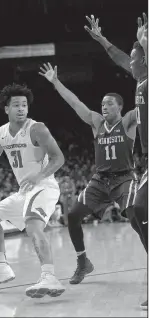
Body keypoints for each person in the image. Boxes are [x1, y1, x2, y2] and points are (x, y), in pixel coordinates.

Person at [39, 63, 138, 285]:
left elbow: (144, 101)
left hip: (124, 178)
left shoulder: (129, 120)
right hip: (100, 180)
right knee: (72, 216)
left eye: (109, 104)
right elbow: (75, 102)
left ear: (120, 107)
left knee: (135, 215)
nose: (104, 106)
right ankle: (83, 262)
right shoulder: (96, 122)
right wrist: (56, 82)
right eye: (102, 103)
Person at [0, 84, 65, 298]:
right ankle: (1, 266)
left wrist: (39, 175)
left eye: (24, 105)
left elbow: (59, 158)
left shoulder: (37, 128)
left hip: (44, 186)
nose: (21, 109)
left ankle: (49, 276)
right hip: (25, 191)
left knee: (32, 225)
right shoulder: (0, 133)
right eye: (16, 105)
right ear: (6, 108)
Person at [85, 14, 148, 310]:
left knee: (140, 214)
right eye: (134, 57)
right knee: (138, 214)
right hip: (147, 159)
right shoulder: (139, 80)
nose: (131, 61)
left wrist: (146, 42)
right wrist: (102, 40)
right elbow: (121, 57)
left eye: (138, 56)